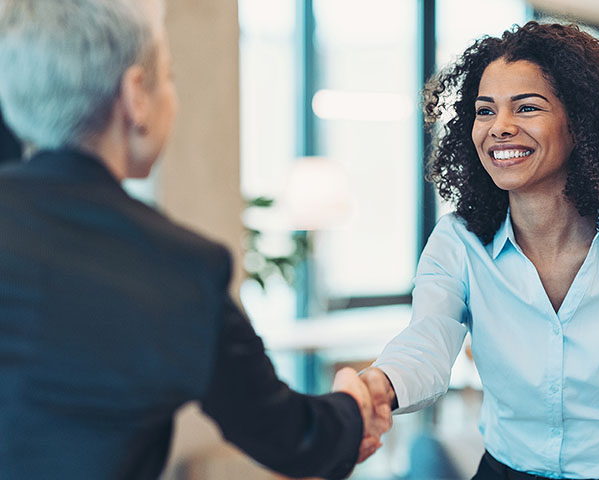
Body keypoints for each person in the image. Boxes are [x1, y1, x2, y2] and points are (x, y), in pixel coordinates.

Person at [0, 1, 390, 479]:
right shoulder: (177, 268)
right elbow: (291, 436)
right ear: (135, 96)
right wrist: (352, 404)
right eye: (169, 75)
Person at [360, 21, 599, 479]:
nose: (500, 128)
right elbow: (427, 344)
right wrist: (379, 384)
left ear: (581, 124)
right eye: (485, 111)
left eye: (527, 107)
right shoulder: (458, 242)